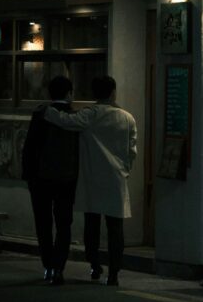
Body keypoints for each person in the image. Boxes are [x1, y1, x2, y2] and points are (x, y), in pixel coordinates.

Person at [45, 76, 137, 286]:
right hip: (116, 178)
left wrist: (48, 111)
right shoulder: (127, 118)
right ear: (113, 92)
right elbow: (132, 151)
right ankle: (114, 273)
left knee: (92, 224)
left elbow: (65, 121)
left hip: (92, 176)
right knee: (115, 227)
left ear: (94, 94)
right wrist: (125, 170)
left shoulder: (89, 114)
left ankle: (94, 263)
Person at [21, 75, 79, 286]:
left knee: (43, 223)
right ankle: (58, 267)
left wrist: (28, 175)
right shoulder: (75, 117)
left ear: (50, 93)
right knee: (64, 224)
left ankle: (47, 265)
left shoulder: (40, 114)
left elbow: (29, 147)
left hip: (40, 179)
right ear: (69, 93)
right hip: (66, 179)